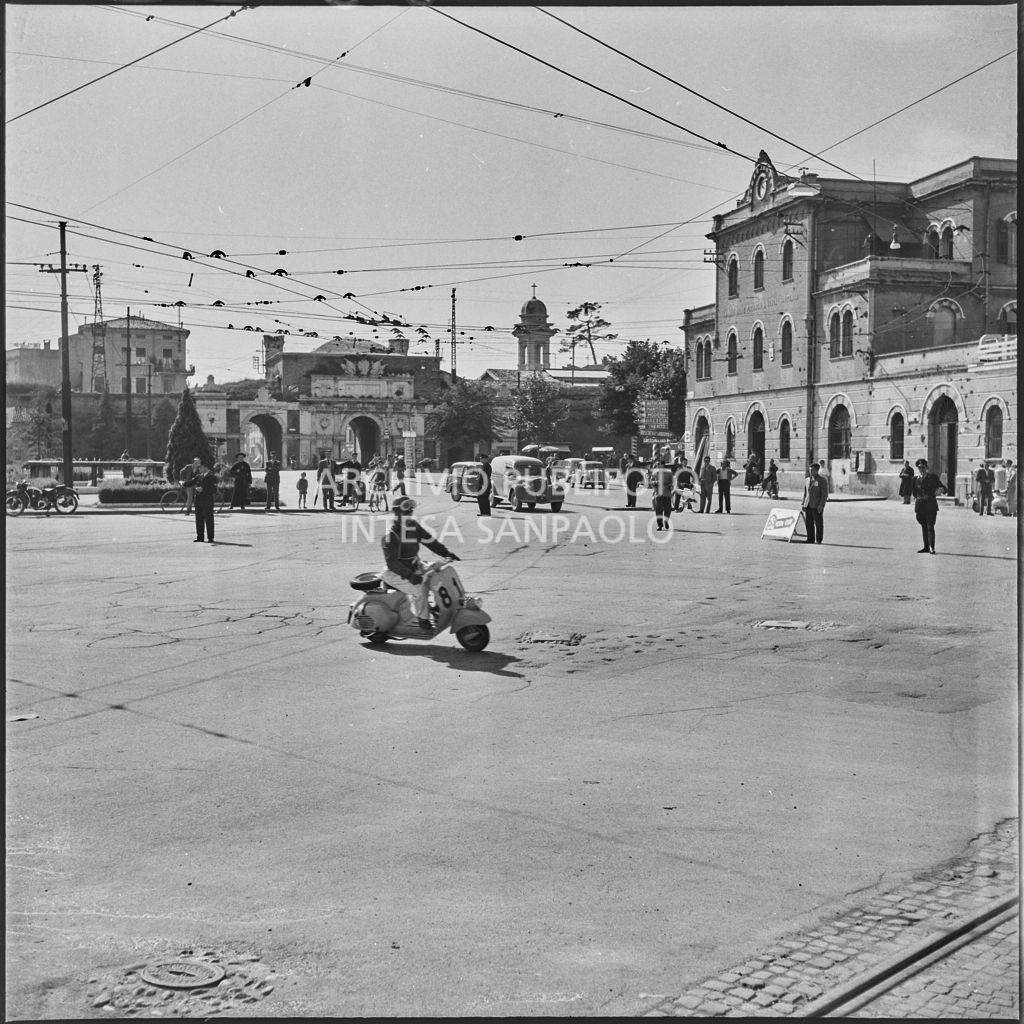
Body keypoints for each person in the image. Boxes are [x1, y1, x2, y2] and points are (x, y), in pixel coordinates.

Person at [381, 496, 460, 632]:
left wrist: (446, 553)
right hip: (396, 572)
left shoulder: (413, 527)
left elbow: (430, 541)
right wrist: (410, 576)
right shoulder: (391, 534)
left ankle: (436, 608)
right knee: (419, 590)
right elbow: (392, 563)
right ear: (397, 513)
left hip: (415, 565)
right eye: (406, 512)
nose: (409, 514)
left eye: (410, 511)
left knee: (436, 575)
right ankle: (423, 620)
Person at [912, 457, 946, 553]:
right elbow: (914, 493)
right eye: (920, 468)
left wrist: (941, 490)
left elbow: (942, 487)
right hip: (920, 506)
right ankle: (926, 547)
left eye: (923, 467)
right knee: (923, 526)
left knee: (930, 526)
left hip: (930, 505)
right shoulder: (915, 479)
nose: (921, 469)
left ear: (927, 467)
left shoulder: (933, 477)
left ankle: (932, 547)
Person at [801, 461, 829, 543]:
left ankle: (819, 539)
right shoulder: (807, 480)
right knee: (808, 523)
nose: (810, 472)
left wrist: (821, 505)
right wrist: (803, 503)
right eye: (809, 470)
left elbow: (824, 494)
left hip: (817, 505)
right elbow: (805, 493)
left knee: (818, 523)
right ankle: (810, 538)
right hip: (808, 504)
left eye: (812, 470)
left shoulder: (822, 480)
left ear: (817, 470)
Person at [193, 463, 219, 543]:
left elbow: (214, 490)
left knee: (209, 519)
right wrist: (183, 483)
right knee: (199, 519)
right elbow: (192, 482)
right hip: (198, 500)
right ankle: (200, 537)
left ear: (205, 467)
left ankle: (210, 537)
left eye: (200, 467)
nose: (199, 469)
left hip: (207, 500)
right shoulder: (199, 476)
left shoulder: (212, 477)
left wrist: (203, 489)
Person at [650, 459, 674, 531]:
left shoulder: (669, 473)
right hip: (658, 493)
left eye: (660, 465)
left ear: (663, 465)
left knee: (668, 509)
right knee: (658, 510)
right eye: (658, 465)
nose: (659, 466)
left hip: (667, 493)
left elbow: (672, 482)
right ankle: (659, 525)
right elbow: (651, 482)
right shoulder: (655, 473)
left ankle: (666, 520)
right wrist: (655, 482)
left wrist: (670, 485)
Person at [476, 452, 493, 517]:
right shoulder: (484, 466)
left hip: (484, 486)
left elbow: (485, 477)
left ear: (485, 459)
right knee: (483, 499)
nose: (480, 460)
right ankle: (484, 512)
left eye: (481, 458)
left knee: (482, 499)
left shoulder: (487, 466)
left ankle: (485, 513)